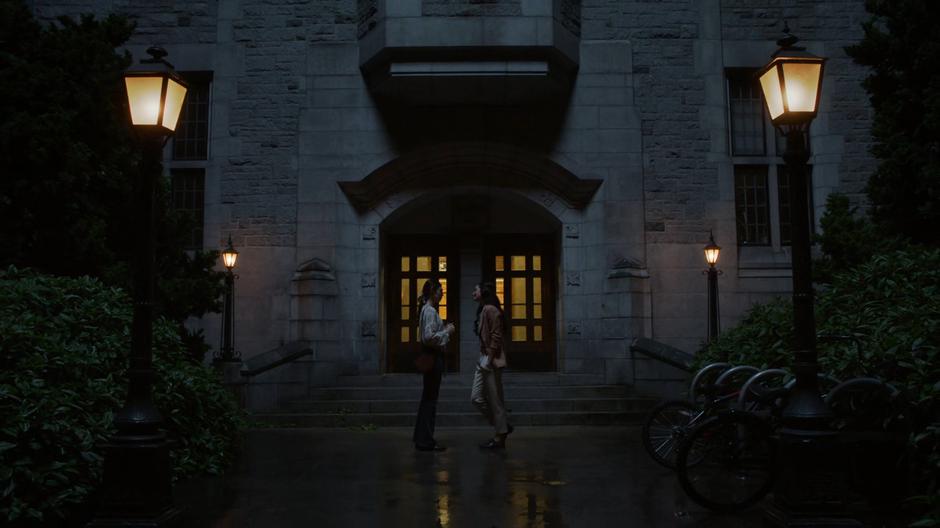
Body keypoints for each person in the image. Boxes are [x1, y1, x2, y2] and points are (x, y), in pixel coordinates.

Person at [413, 278, 455, 452]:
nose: (442, 293)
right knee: (430, 400)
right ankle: (426, 440)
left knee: (427, 400)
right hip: (433, 358)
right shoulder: (430, 311)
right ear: (433, 292)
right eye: (440, 291)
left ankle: (422, 437)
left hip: (431, 357)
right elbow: (429, 337)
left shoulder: (427, 310)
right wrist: (447, 331)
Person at [471, 282, 513, 449]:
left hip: (491, 361)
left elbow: (496, 337)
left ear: (483, 292)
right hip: (483, 359)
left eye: (476, 289)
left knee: (496, 400)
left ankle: (500, 436)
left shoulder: (491, 310)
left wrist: (488, 360)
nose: (473, 291)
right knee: (475, 398)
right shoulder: (483, 310)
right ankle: (502, 426)